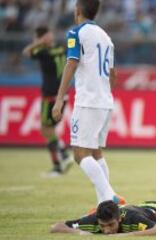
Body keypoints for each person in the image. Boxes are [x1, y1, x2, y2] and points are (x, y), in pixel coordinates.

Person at [51, 0, 125, 205]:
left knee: (79, 154)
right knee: (95, 152)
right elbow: (113, 74)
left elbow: (71, 64)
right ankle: (104, 204)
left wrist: (59, 99)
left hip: (88, 101)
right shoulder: (106, 37)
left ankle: (109, 196)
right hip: (105, 101)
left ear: (78, 10)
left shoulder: (76, 33)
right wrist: (104, 92)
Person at [22, 26, 73, 177]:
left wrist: (38, 43)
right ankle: (57, 166)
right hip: (63, 94)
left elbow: (26, 52)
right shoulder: (61, 48)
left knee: (46, 130)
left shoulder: (43, 51)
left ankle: (63, 155)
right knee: (50, 130)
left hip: (49, 95)